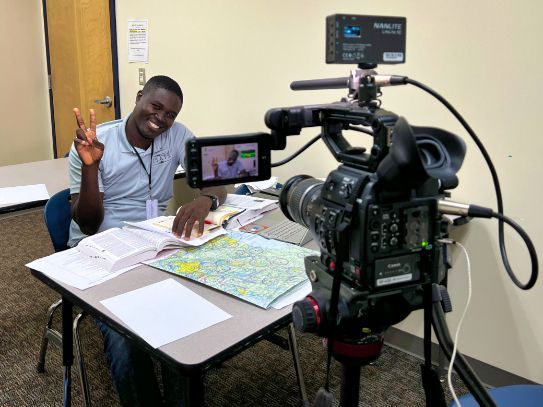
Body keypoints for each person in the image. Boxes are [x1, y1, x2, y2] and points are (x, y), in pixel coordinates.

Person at [68, 75, 226, 406]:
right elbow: (87, 222)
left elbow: (217, 180)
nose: (161, 119)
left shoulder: (178, 136)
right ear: (140, 97)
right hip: (102, 252)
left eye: (171, 114)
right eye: (156, 106)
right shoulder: (96, 142)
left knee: (185, 326)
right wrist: (91, 168)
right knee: (127, 343)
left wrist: (205, 200)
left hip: (153, 246)